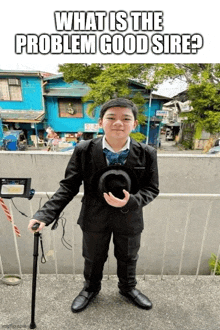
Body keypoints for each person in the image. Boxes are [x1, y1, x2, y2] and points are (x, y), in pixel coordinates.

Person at [28, 98, 159, 313]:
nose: (118, 123)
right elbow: (68, 186)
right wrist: (44, 215)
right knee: (93, 257)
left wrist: (131, 201)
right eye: (111, 118)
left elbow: (151, 189)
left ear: (134, 124)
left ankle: (128, 288)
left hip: (129, 217)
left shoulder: (147, 153)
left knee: (128, 256)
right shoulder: (84, 149)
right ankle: (90, 289)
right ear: (101, 122)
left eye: (126, 118)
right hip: (94, 216)